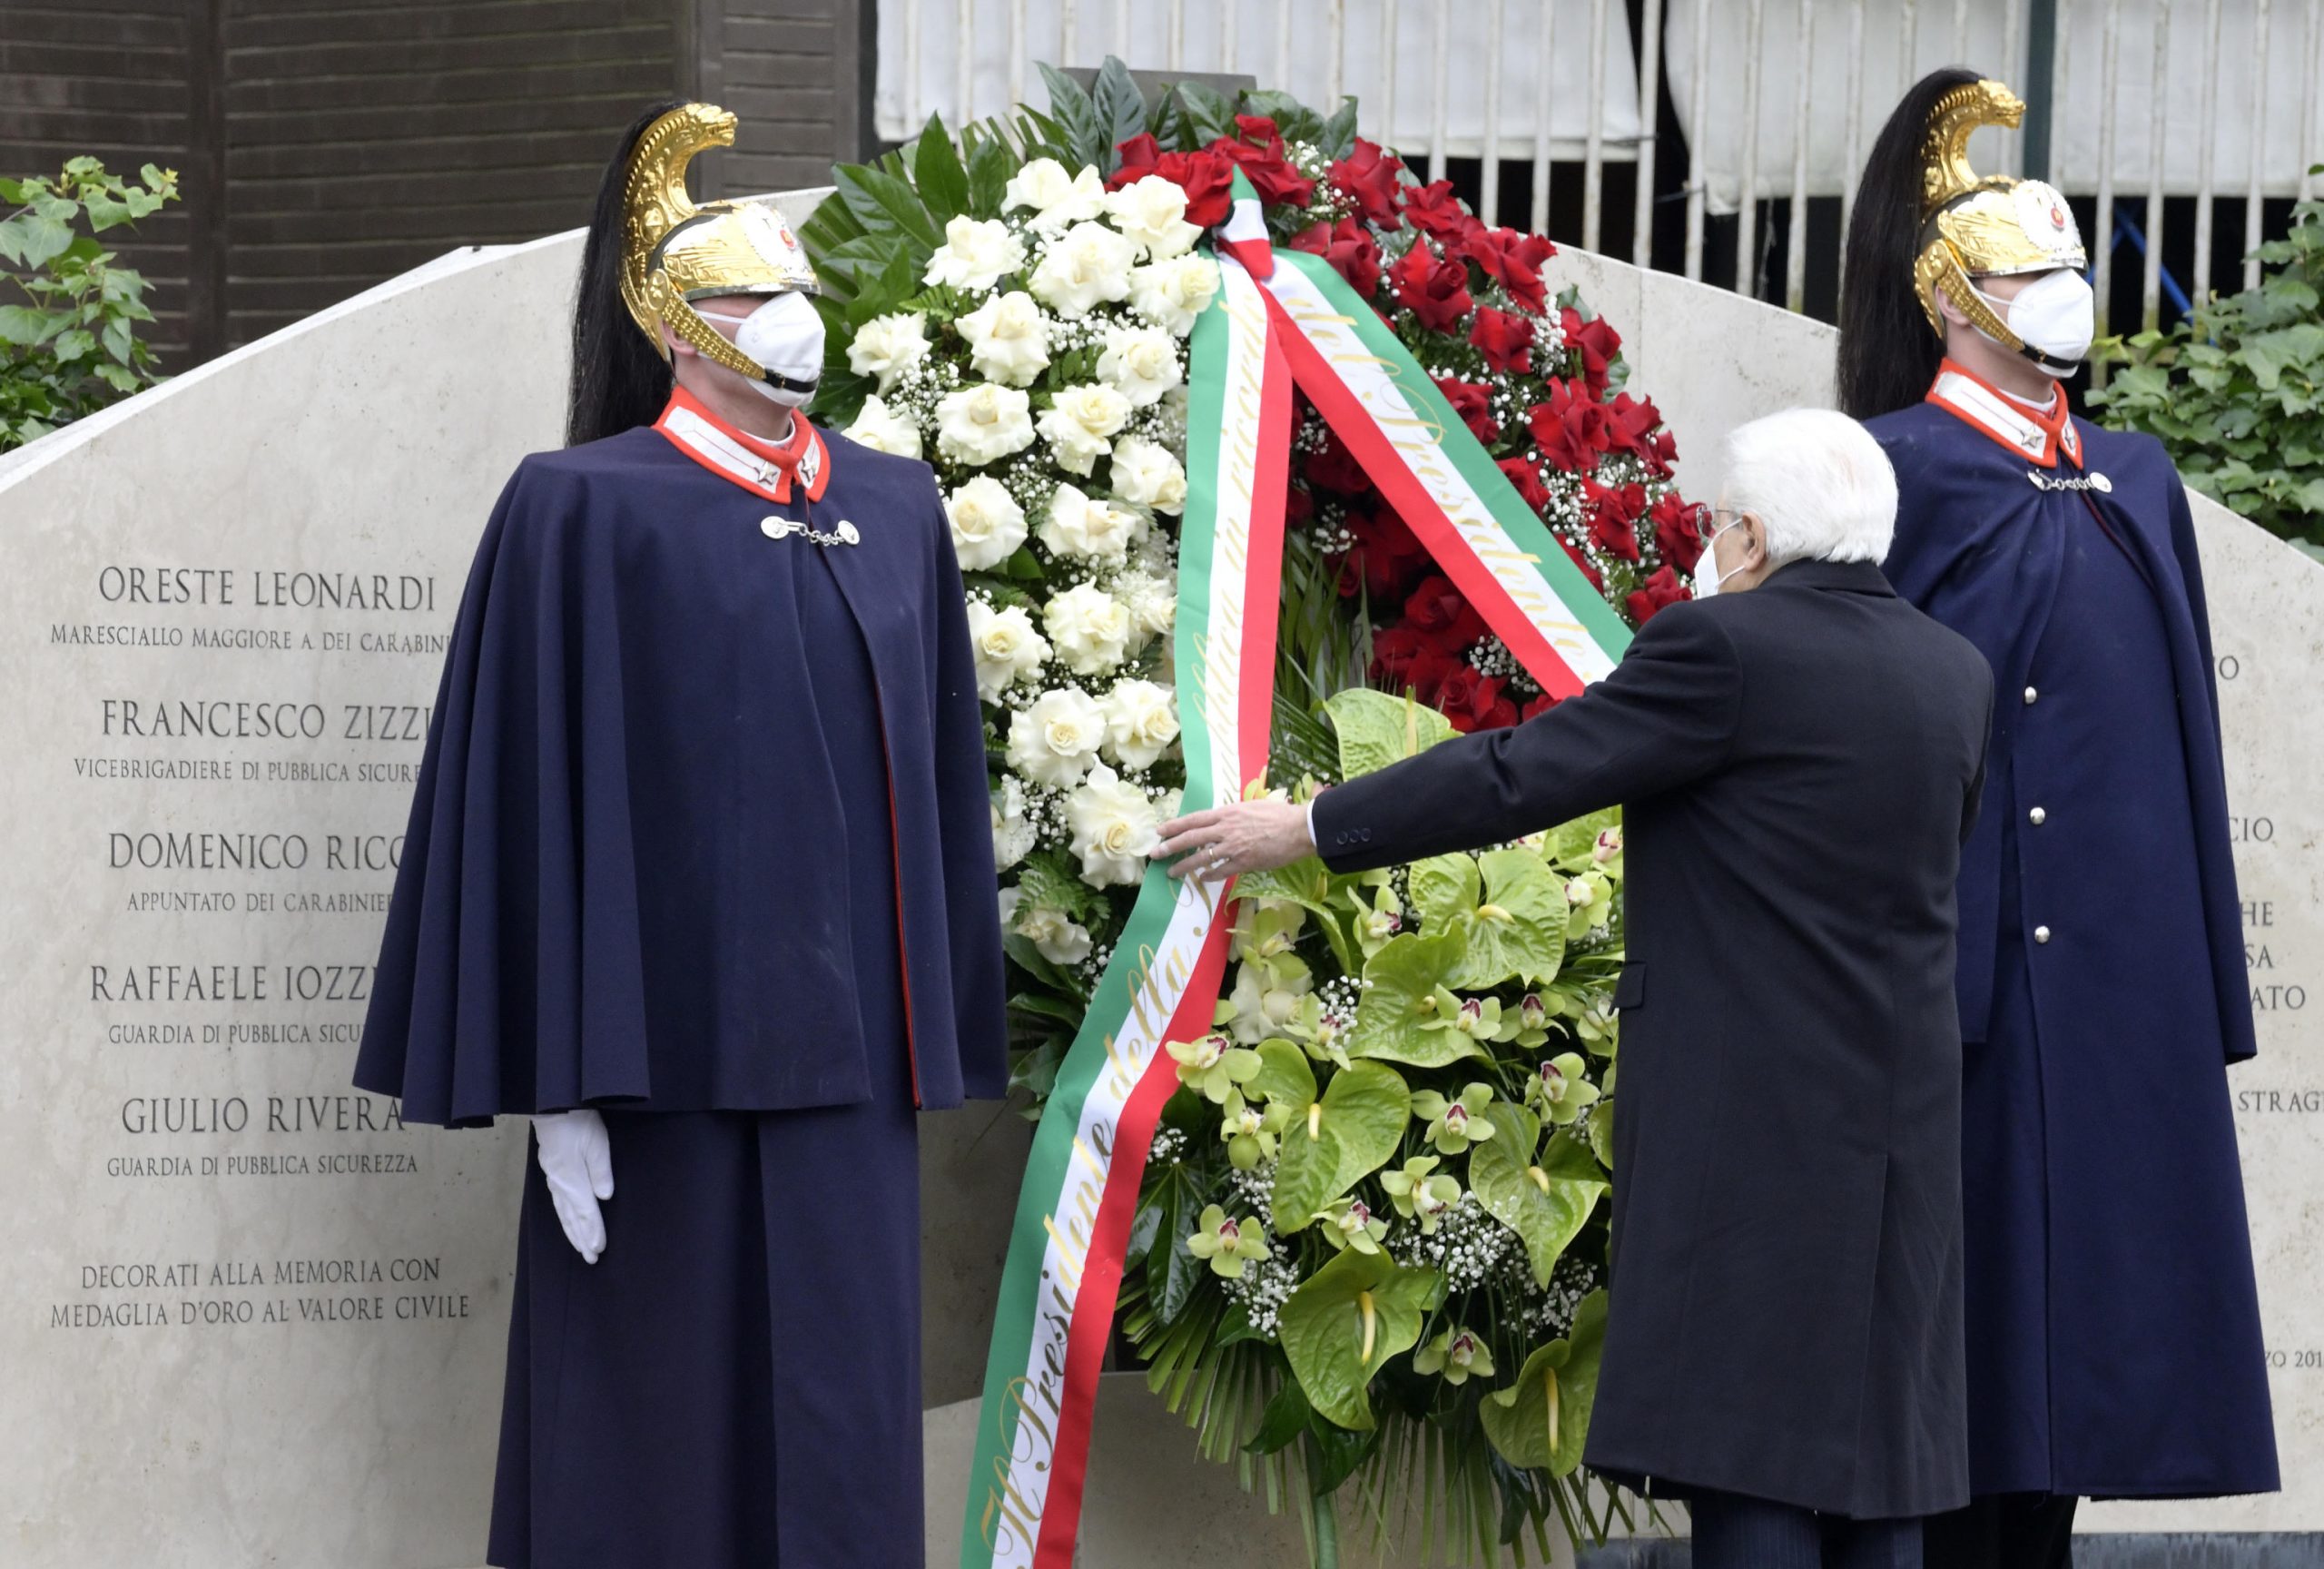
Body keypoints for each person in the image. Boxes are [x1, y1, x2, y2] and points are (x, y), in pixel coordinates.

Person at [1159, 409, 1993, 1569]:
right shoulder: (1952, 670)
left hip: (1745, 1120)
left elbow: (1523, 775)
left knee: (1741, 1453)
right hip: (1900, 1123)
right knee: (1876, 1463)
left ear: (1749, 537)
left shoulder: (1725, 650)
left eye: (1716, 523)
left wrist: (1305, 824)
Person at [352, 100, 1008, 1567]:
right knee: (645, 1451)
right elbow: (528, 788)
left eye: (803, 293)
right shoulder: (582, 509)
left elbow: (935, 774)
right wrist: (559, 1084)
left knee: (841, 1445)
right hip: (657, 1080)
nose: (791, 322)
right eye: (752, 297)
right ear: (673, 320)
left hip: (848, 1084)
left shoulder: (896, 509)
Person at [1838, 70, 2279, 1567]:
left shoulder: (2133, 474)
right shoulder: (1889, 471)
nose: (2066, 295)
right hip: (1961, 980)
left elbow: (2188, 743)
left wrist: (2203, 975)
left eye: (2070, 267)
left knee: (2088, 1359)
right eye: (2032, 272)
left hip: (2119, 983)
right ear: (1955, 298)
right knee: (1967, 1363)